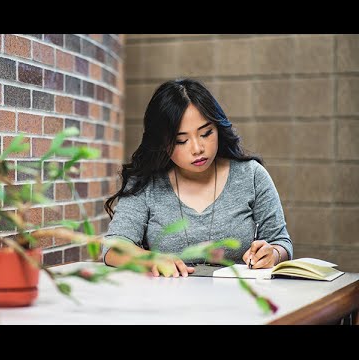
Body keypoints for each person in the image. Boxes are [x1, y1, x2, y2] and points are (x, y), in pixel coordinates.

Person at [102, 78, 293, 278]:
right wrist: (148, 259)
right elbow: (113, 248)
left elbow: (281, 242)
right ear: (162, 143)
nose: (197, 149)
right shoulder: (146, 182)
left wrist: (272, 254)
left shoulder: (252, 175)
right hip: (167, 301)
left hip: (238, 299)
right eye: (181, 140)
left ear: (219, 127)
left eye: (206, 133)